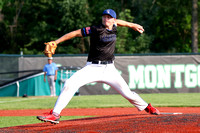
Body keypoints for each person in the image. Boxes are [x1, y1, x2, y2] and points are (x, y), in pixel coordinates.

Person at [37, 9, 160, 124]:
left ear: (113, 20)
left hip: (109, 69)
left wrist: (132, 25)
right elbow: (75, 33)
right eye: (104, 16)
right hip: (92, 68)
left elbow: (120, 22)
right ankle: (55, 114)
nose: (106, 19)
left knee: (127, 93)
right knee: (69, 84)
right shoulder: (95, 29)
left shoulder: (115, 26)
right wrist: (57, 42)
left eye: (109, 17)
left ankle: (146, 107)